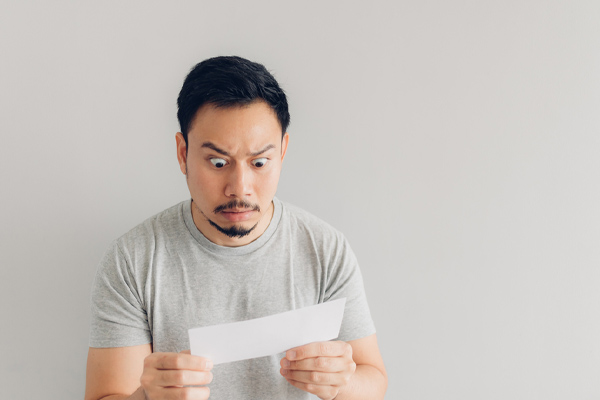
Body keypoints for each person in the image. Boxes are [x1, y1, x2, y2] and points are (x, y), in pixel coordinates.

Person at [85, 56, 387, 400]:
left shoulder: (324, 248)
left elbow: (373, 380)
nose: (239, 188)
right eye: (217, 162)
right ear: (183, 153)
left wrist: (341, 383)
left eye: (259, 162)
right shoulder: (133, 259)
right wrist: (147, 398)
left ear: (283, 152)